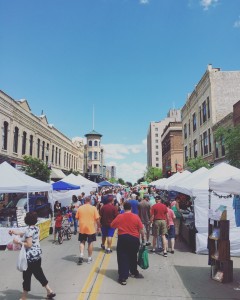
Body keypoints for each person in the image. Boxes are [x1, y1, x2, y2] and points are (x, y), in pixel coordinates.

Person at [9, 212, 56, 300]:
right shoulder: (36, 228)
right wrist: (14, 232)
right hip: (37, 256)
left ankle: (23, 297)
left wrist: (18, 242)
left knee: (26, 277)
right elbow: (24, 233)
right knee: (39, 274)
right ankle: (50, 291)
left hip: (30, 258)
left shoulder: (28, 230)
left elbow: (29, 244)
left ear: (26, 220)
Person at [111, 201, 145, 286]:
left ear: (123, 208)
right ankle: (134, 271)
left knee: (123, 257)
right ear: (131, 208)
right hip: (134, 238)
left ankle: (123, 277)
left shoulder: (120, 216)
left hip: (123, 238)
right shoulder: (136, 217)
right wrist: (143, 238)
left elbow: (112, 225)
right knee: (133, 255)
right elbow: (141, 229)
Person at [75, 196, 100, 265]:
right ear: (90, 201)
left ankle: (81, 255)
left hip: (82, 228)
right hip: (90, 228)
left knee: (82, 242)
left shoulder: (80, 208)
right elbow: (97, 219)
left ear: (84, 201)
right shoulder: (93, 208)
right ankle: (89, 258)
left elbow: (76, 218)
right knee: (90, 242)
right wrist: (98, 227)